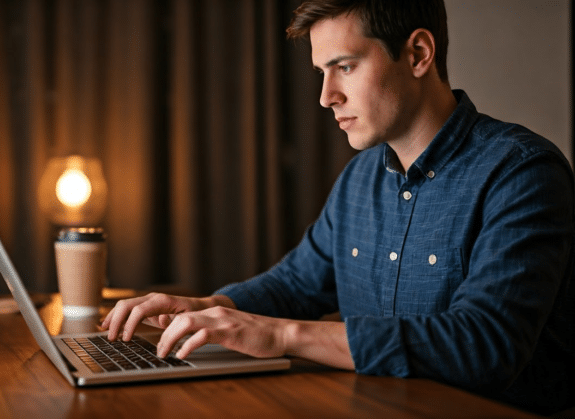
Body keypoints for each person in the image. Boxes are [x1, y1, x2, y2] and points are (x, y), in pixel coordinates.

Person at [102, 0, 575, 414]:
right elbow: (295, 284)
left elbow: (484, 345)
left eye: (345, 67)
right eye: (321, 72)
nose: (326, 96)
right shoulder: (360, 178)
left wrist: (284, 337)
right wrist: (209, 307)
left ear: (418, 54)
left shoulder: (522, 173)